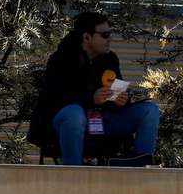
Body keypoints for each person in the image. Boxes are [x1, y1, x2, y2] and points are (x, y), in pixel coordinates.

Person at [30, 11, 161, 166]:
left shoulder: (110, 59)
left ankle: (140, 165)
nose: (110, 39)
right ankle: (73, 172)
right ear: (87, 37)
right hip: (67, 124)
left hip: (103, 121)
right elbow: (53, 100)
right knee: (74, 114)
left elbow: (116, 94)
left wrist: (121, 101)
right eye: (105, 35)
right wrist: (91, 98)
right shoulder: (61, 59)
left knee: (150, 110)